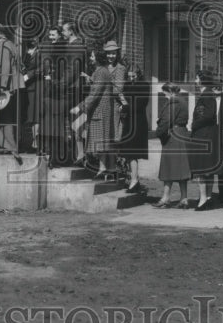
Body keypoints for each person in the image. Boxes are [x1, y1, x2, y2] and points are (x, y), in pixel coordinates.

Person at [69, 49, 117, 180]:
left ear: (97, 58)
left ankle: (102, 168)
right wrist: (90, 78)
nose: (90, 58)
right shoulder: (101, 71)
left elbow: (95, 93)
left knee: (99, 140)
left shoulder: (101, 72)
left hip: (99, 110)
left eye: (92, 56)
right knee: (96, 138)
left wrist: (79, 107)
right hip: (98, 110)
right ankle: (97, 164)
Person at [189, 67, 223, 210]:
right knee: (207, 170)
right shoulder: (207, 94)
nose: (195, 81)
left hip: (204, 134)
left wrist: (194, 124)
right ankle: (208, 197)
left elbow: (210, 115)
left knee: (202, 169)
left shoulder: (207, 94)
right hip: (206, 134)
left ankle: (203, 199)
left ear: (202, 80)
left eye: (197, 78)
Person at [153, 82, 191, 208]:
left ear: (169, 91)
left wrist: (158, 133)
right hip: (182, 134)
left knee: (168, 167)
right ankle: (184, 198)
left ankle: (165, 198)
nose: (164, 96)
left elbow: (166, 121)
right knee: (181, 169)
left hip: (173, 135)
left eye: (165, 93)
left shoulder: (173, 102)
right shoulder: (182, 100)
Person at [0, 24, 25, 153]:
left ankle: (8, 145)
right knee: (4, 115)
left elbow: (4, 67)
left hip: (5, 87)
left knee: (4, 116)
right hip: (12, 85)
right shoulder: (11, 44)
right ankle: (1, 143)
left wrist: (0, 88)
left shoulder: (2, 44)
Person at [116, 65, 150, 193]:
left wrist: (124, 108)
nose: (131, 78)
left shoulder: (144, 85)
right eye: (129, 76)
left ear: (139, 74)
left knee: (133, 153)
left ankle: (134, 181)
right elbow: (125, 100)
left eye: (133, 76)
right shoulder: (127, 85)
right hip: (129, 122)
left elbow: (139, 105)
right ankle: (134, 180)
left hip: (138, 123)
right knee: (129, 154)